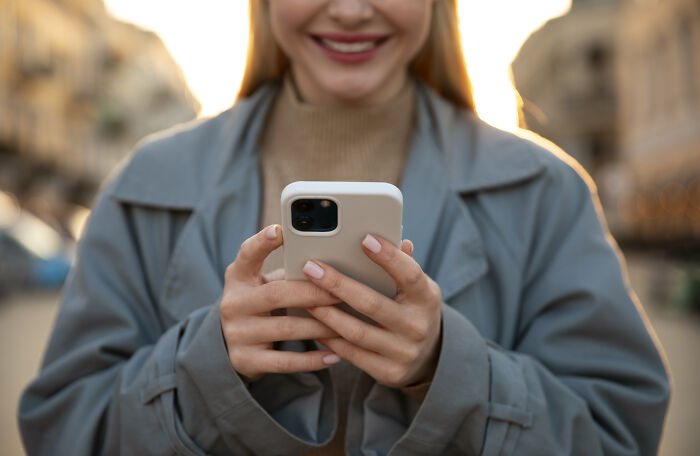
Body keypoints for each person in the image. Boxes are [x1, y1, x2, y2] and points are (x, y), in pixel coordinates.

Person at [18, 0, 670, 455]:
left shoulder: (544, 190)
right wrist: (205, 365)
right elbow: (62, 431)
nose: (352, 9)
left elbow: (619, 435)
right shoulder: (146, 186)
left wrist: (449, 368)